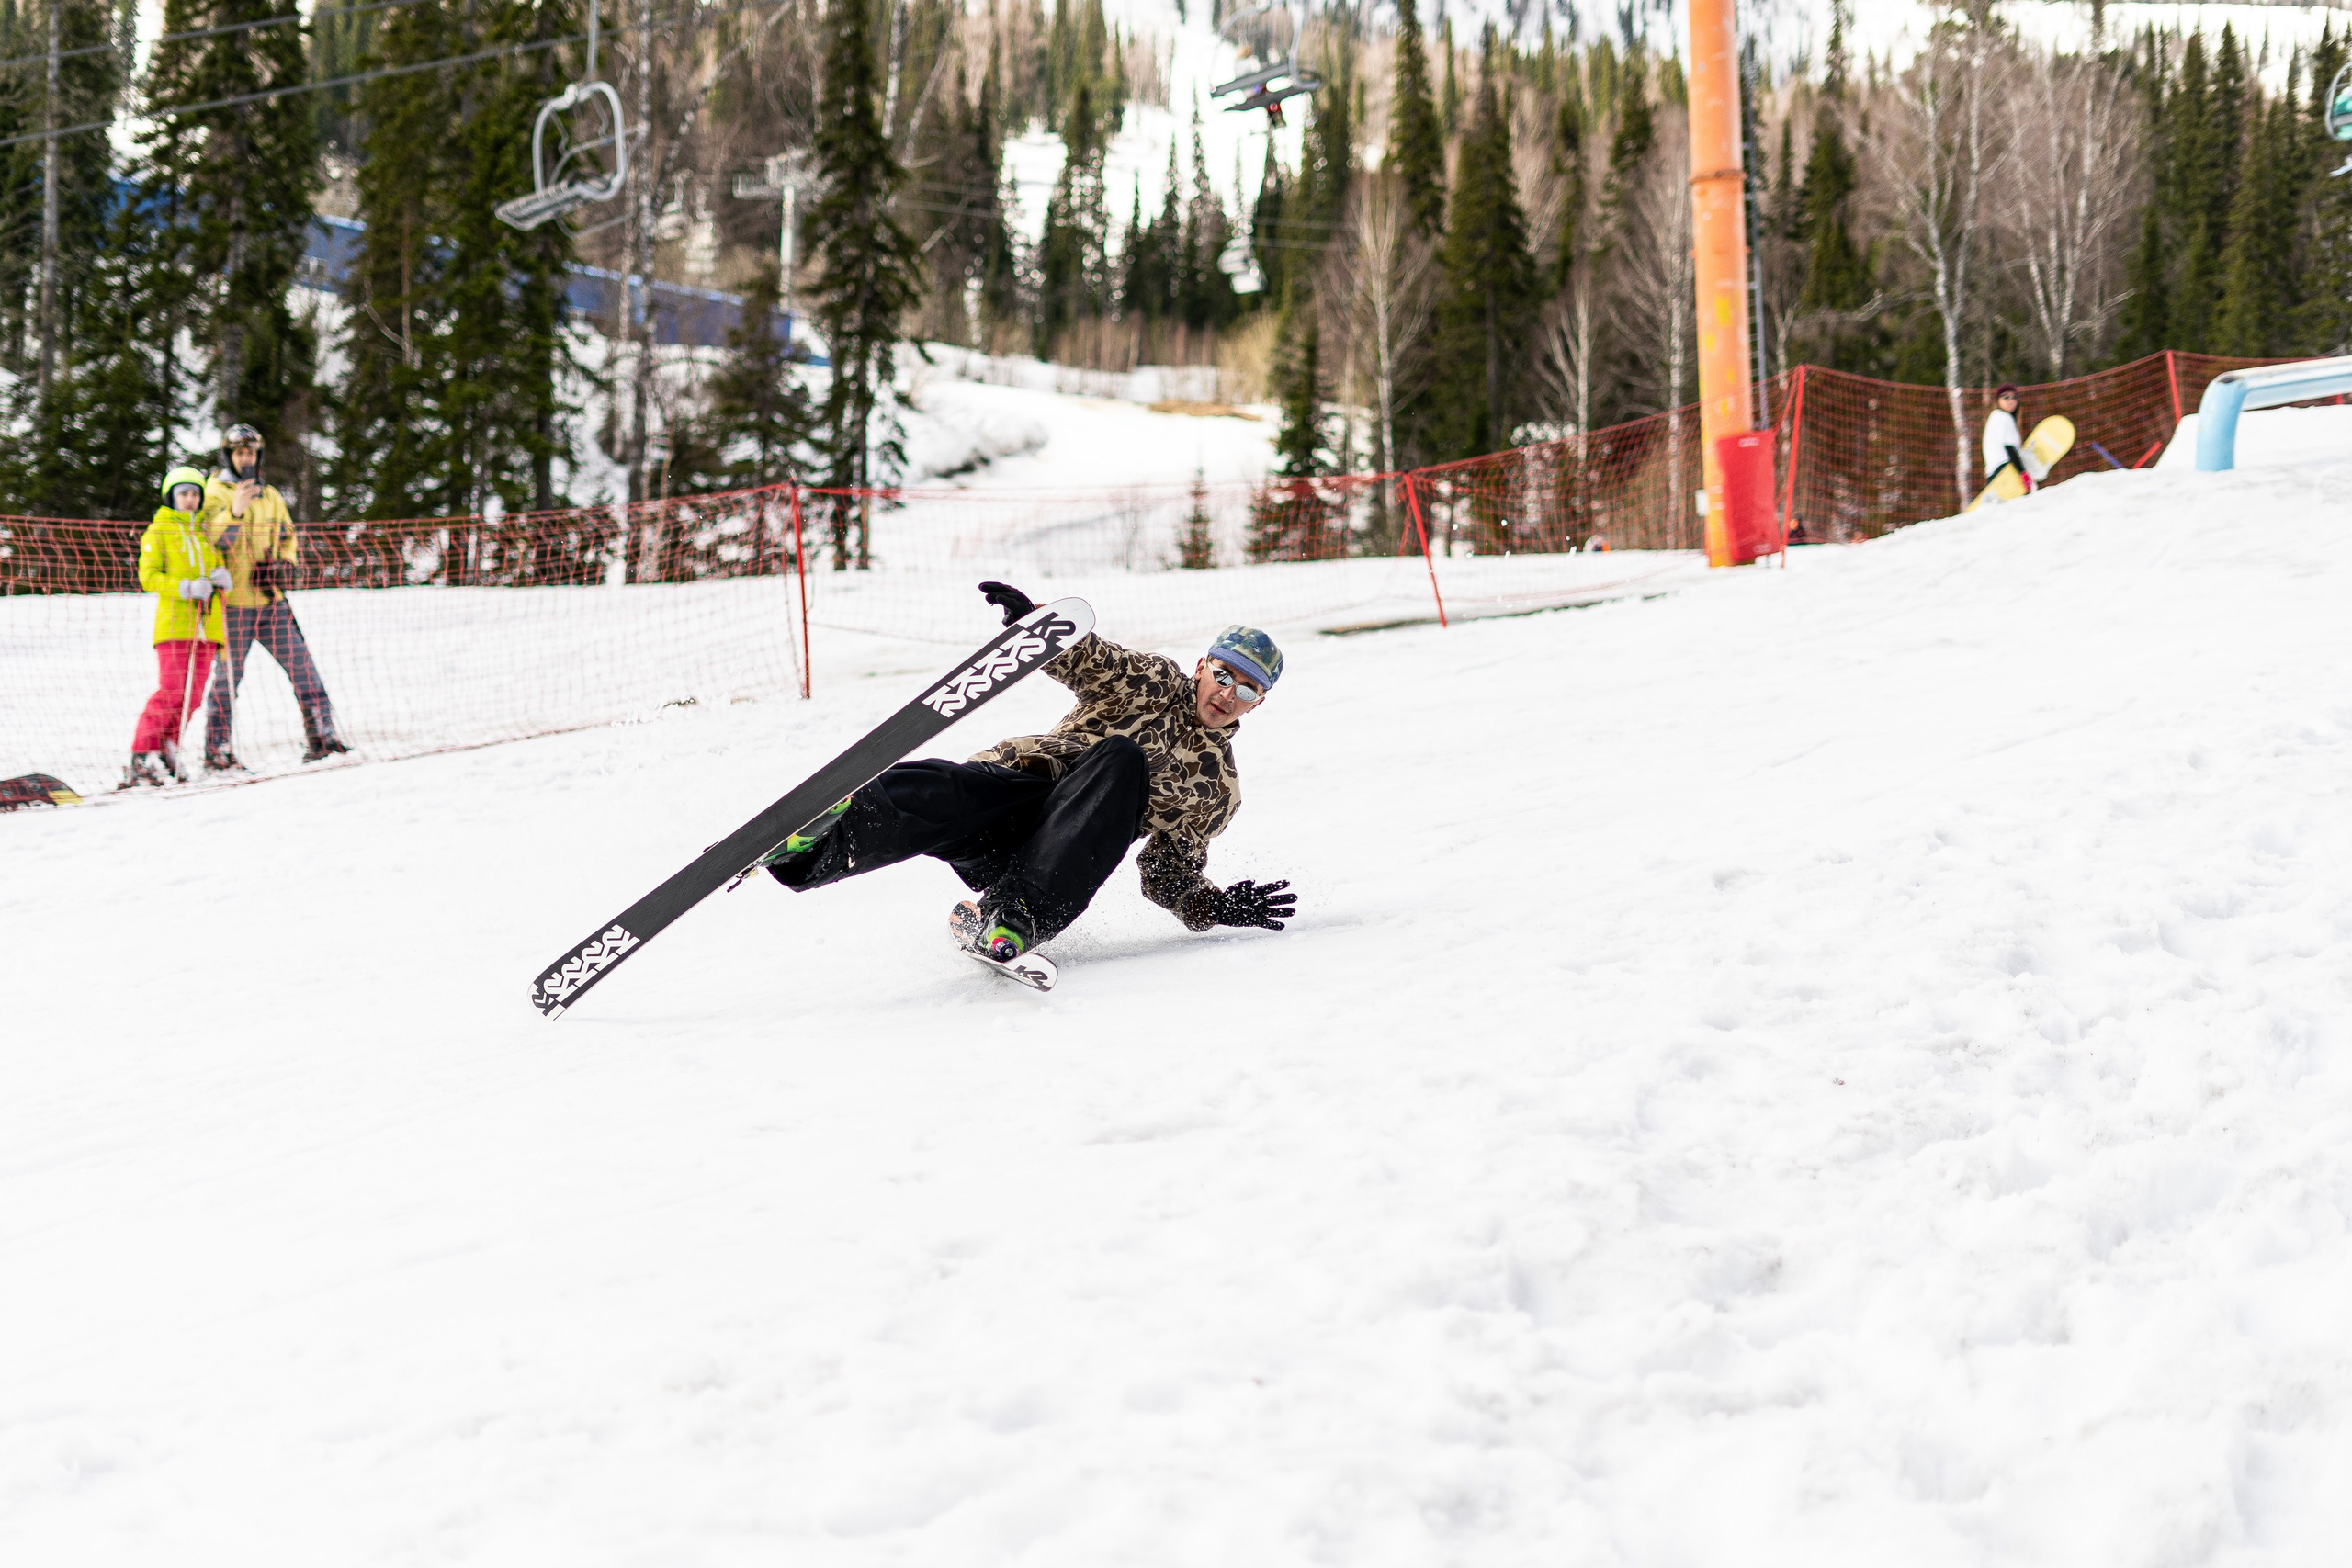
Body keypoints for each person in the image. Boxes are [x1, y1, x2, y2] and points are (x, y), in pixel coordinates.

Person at [760, 581, 1298, 964]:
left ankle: (1015, 916)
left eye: (1247, 689)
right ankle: (818, 846)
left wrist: (1211, 903)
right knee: (936, 787)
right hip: (1014, 801)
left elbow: (1166, 873)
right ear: (1203, 666)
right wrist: (1035, 626)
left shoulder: (1216, 791)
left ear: (1259, 702)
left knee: (1121, 760)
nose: (1229, 694)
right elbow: (1094, 660)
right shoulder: (1153, 681)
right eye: (1224, 675)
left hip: (1065, 851)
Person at [198, 423, 348, 769]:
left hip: (270, 600)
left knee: (303, 668)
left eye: (250, 452)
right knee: (227, 681)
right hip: (232, 605)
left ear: (258, 455)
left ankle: (322, 735)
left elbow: (288, 535)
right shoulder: (214, 493)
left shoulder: (272, 496)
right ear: (229, 456)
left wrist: (285, 563)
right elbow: (212, 540)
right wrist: (234, 510)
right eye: (238, 452)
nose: (245, 458)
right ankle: (217, 750)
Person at [123, 468, 231, 787]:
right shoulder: (159, 530)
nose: (190, 499)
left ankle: (169, 748)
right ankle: (143, 754)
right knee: (171, 692)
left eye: (195, 493)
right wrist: (184, 587)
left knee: (193, 696)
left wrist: (221, 577)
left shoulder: (204, 533)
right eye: (184, 493)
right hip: (175, 626)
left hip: (206, 628)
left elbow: (212, 570)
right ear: (171, 496)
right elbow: (149, 576)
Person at [1980, 384, 2050, 501]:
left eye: (2014, 397)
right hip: (2005, 470)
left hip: (1994, 473)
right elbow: (2009, 448)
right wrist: (2023, 473)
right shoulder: (2004, 417)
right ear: (1997, 400)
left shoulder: (1995, 417)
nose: (2011, 401)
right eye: (2006, 397)